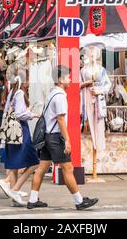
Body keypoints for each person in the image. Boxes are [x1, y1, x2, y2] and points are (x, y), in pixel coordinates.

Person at [27, 65, 99, 211]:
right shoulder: (60, 96)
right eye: (68, 77)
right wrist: (67, 140)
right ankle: (79, 201)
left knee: (42, 168)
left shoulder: (51, 93)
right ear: (60, 79)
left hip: (47, 136)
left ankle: (32, 200)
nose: (70, 79)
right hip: (55, 138)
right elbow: (60, 119)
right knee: (68, 168)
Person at [0, 76, 40, 206]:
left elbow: (9, 113)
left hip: (11, 133)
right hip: (20, 131)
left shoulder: (12, 93)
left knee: (15, 165)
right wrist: (34, 114)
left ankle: (14, 198)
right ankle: (15, 189)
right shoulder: (20, 93)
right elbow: (21, 114)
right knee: (34, 162)